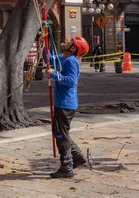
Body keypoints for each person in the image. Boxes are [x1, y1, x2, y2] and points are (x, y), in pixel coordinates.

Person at [46, 36, 90, 179]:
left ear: (73, 48)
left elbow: (71, 81)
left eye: (70, 40)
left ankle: (67, 167)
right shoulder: (63, 57)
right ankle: (76, 157)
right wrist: (42, 44)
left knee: (60, 134)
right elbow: (50, 59)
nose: (65, 39)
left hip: (66, 104)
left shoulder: (71, 61)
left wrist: (53, 74)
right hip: (61, 103)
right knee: (60, 132)